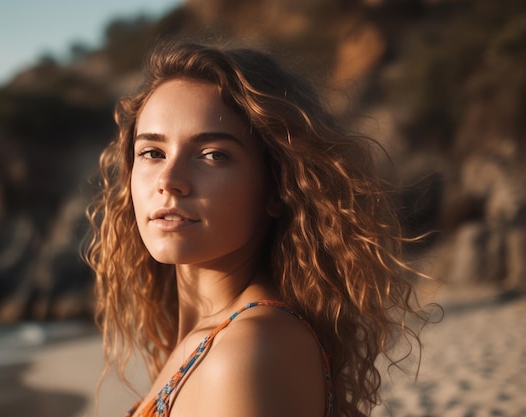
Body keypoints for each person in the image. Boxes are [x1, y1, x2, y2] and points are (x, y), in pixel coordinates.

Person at [85, 41, 432, 417]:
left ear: (278, 187)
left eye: (213, 155)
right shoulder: (216, 336)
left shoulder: (249, 348)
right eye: (152, 152)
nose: (169, 181)